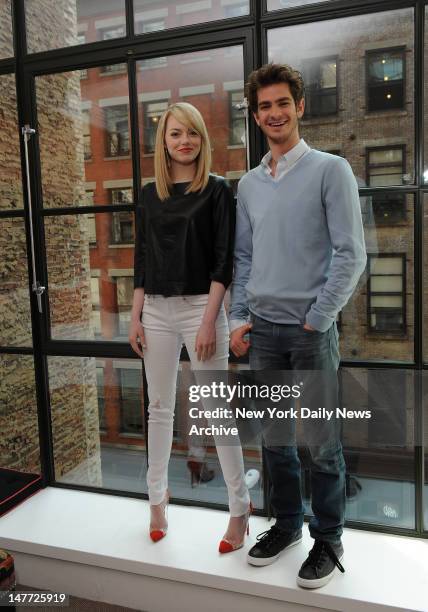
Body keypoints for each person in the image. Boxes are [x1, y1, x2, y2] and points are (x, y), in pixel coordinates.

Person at [229, 63, 367, 588]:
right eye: (264, 106)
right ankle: (286, 526)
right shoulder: (249, 184)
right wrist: (239, 318)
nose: (274, 113)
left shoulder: (331, 170)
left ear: (300, 106)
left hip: (310, 333)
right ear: (256, 114)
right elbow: (244, 260)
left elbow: (350, 255)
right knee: (275, 440)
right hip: (262, 332)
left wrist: (318, 317)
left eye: (282, 102)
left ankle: (328, 540)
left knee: (322, 443)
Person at [129, 102, 251, 552]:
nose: (185, 141)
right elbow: (141, 258)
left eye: (193, 134)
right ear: (163, 141)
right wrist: (135, 314)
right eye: (176, 133)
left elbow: (224, 261)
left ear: (203, 139)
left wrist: (208, 322)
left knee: (217, 412)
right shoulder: (148, 194)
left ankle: (240, 510)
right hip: (156, 310)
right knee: (159, 409)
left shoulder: (218, 191)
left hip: (204, 305)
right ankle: (157, 500)